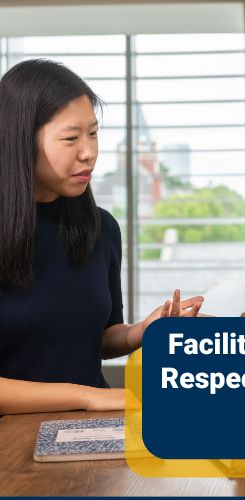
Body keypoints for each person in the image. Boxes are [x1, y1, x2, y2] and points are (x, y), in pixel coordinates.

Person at [0, 59, 204, 415]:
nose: (89, 152)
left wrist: (141, 331)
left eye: (93, 133)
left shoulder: (101, 228)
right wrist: (87, 396)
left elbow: (98, 337)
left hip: (96, 427)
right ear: (20, 140)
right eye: (71, 138)